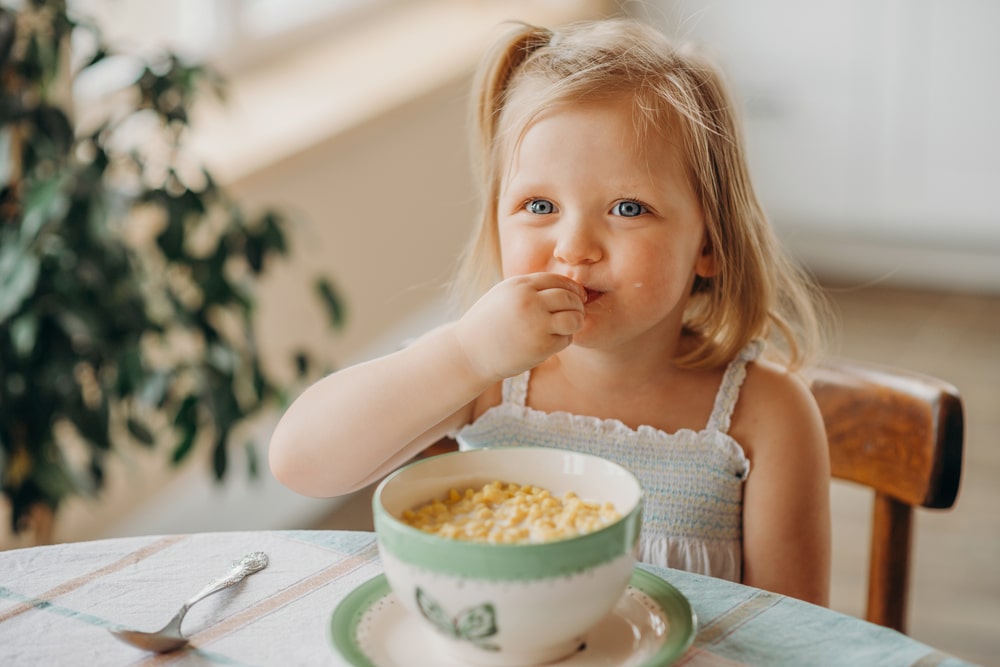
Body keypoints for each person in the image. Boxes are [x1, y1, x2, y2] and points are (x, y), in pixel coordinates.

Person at [269, 18, 831, 605]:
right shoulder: (484, 379)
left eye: (628, 207)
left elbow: (792, 637)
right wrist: (463, 355)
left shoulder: (765, 419)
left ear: (709, 243)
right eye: (539, 204)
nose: (574, 248)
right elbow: (300, 463)